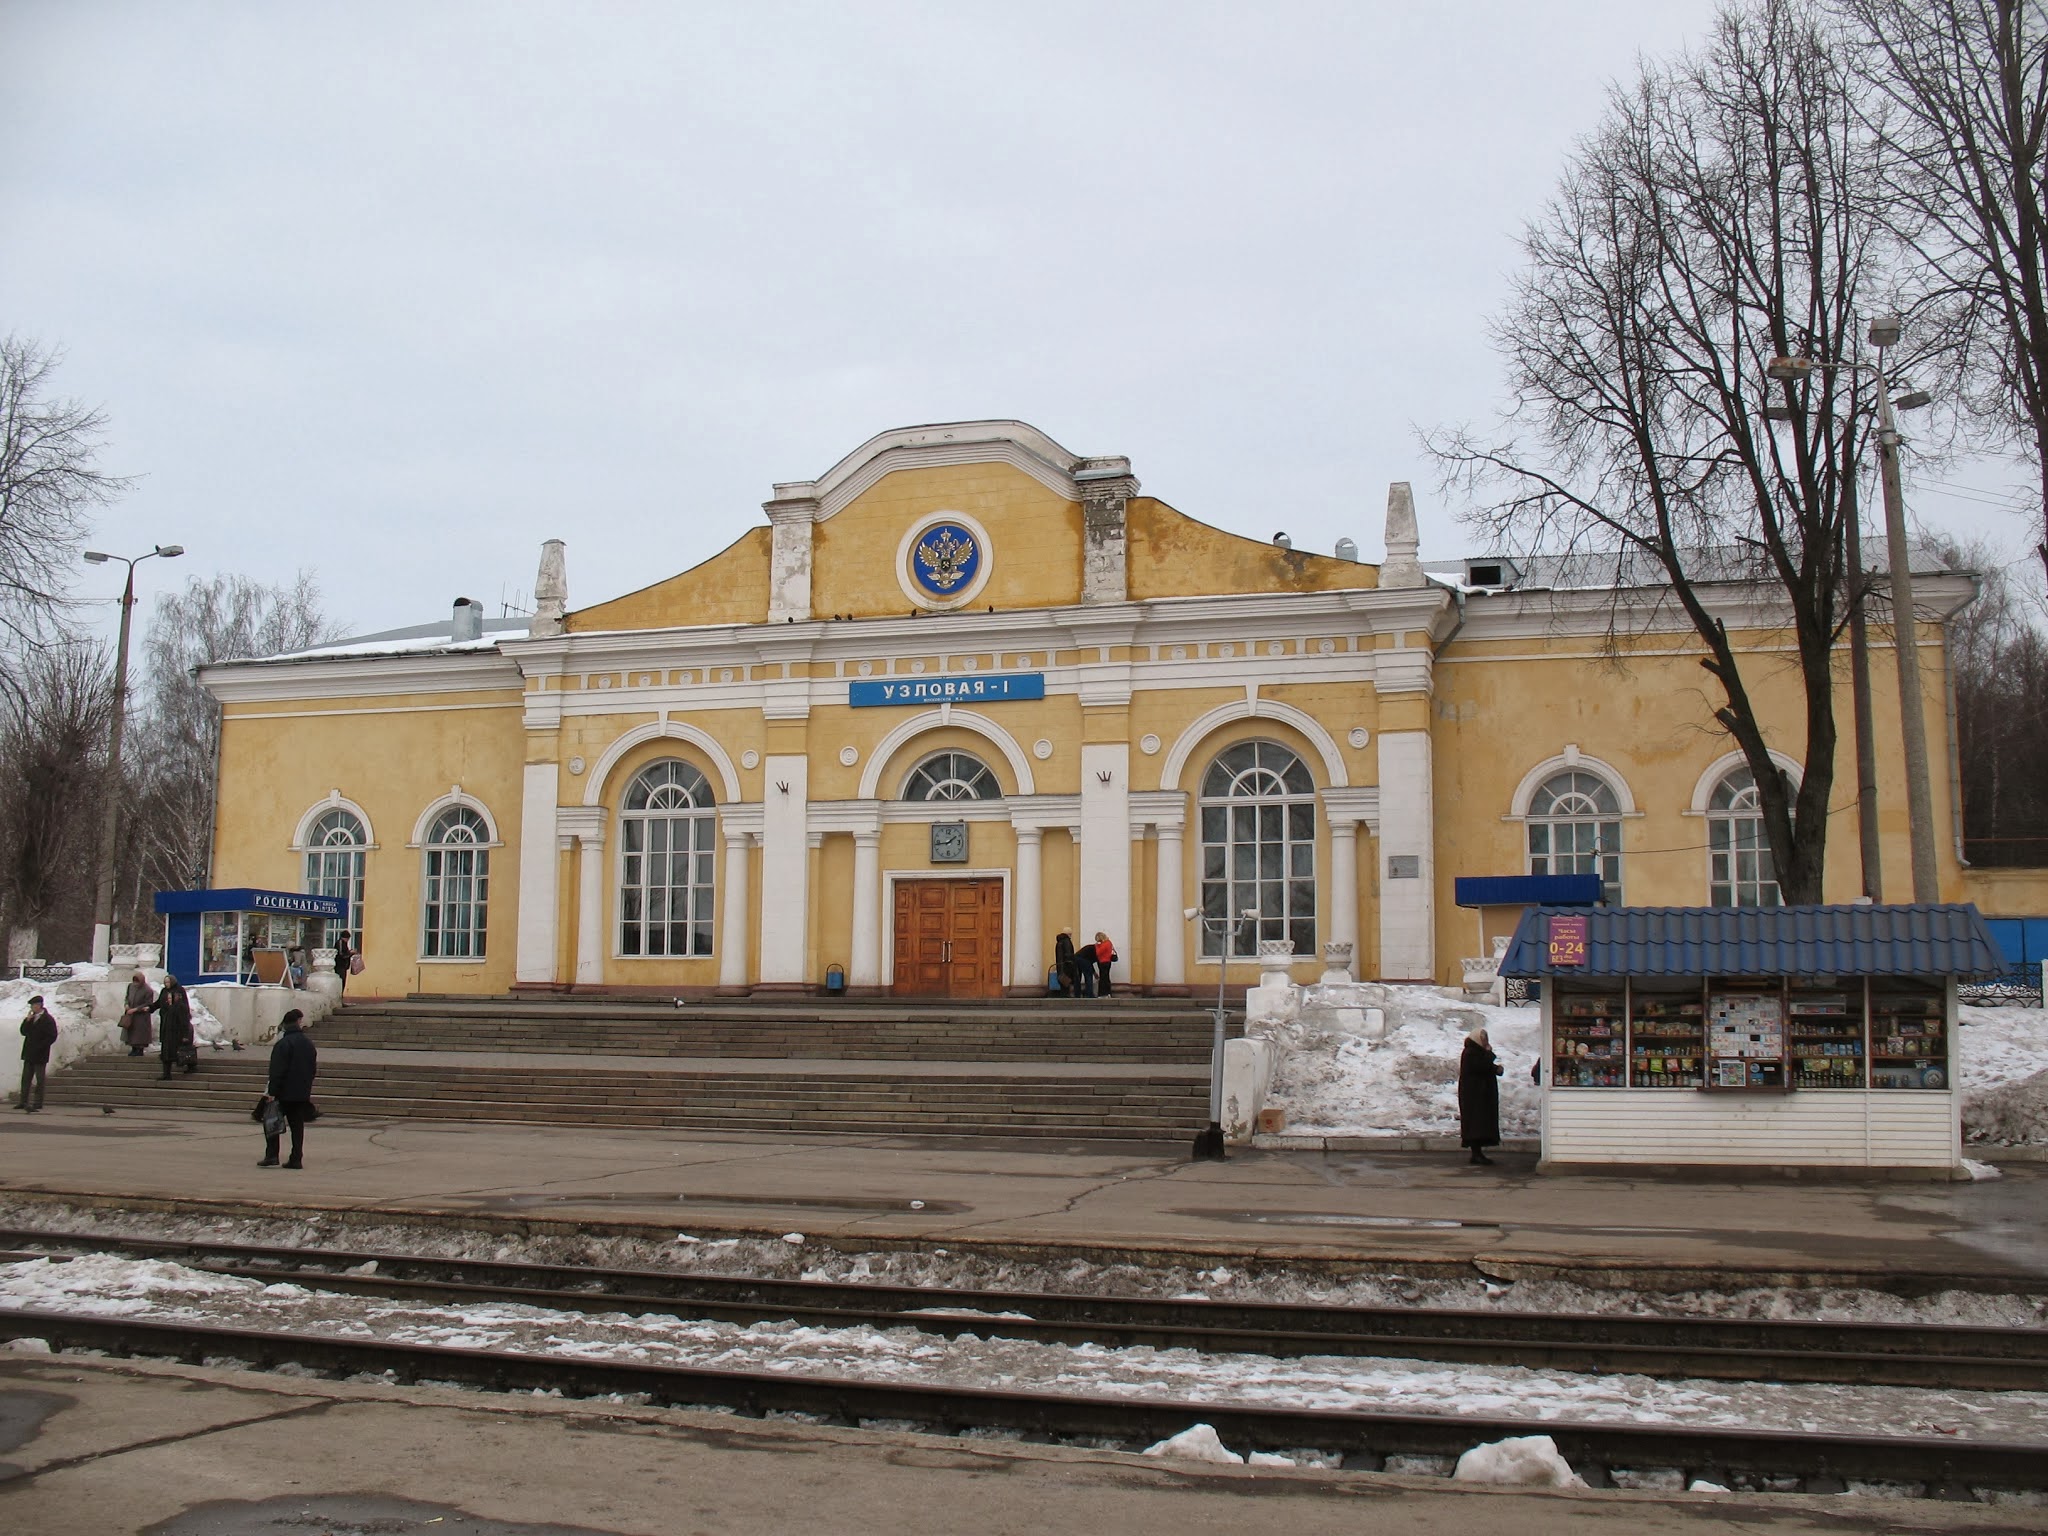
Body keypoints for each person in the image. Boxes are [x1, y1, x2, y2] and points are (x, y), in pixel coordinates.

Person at [259, 1008, 318, 1170]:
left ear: (285, 1025)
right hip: (301, 1092)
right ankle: (296, 1158)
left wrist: (272, 1092)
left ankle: (272, 1155)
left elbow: (277, 1071)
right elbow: (312, 1069)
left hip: (283, 1092)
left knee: (271, 1122)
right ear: (298, 1023)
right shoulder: (307, 1043)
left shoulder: (283, 1044)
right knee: (297, 1126)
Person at [1458, 1026, 1504, 1166]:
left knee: (1479, 1124)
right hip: (1474, 1097)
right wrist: (1489, 1054)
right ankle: (1476, 1154)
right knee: (1476, 1125)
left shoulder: (1475, 1051)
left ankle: (1477, 1153)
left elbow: (1484, 1067)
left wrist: (1496, 1069)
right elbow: (1481, 1066)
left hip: (1479, 1096)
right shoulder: (1471, 1052)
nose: (1485, 1042)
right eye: (1483, 1039)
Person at [17, 995, 57, 1112]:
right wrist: (27, 1020)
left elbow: (52, 1036)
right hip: (29, 1053)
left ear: (39, 1005)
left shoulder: (48, 1019)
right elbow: (23, 1032)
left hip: (40, 1054)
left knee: (39, 1080)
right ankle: (23, 1101)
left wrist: (41, 1047)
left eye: (33, 1005)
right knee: (26, 1079)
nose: (31, 1008)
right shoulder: (31, 1018)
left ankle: (38, 1102)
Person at [153, 975, 196, 1079]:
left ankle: (191, 1065)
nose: (166, 984)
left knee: (181, 1048)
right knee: (166, 1052)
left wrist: (185, 1032)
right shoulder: (164, 991)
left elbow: (184, 1012)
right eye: (165, 982)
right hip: (166, 1026)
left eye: (168, 982)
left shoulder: (179, 992)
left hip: (178, 1027)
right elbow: (159, 1003)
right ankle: (166, 1074)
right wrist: (150, 1007)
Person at [121, 971, 157, 1056]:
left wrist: (136, 1009)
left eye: (137, 982)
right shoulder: (131, 987)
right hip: (131, 1014)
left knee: (140, 1034)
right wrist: (126, 1005)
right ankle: (133, 1048)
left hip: (141, 1016)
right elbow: (127, 997)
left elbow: (148, 1003)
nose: (135, 984)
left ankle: (139, 1049)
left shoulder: (147, 990)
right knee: (131, 1032)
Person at [1089, 932, 1118, 999]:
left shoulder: (1104, 944)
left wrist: (1097, 946)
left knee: (1103, 978)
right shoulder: (1109, 942)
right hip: (1108, 962)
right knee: (1106, 977)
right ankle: (1108, 993)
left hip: (1103, 962)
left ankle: (1103, 994)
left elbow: (1098, 952)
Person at [1053, 931, 1079, 998]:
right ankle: (1067, 994)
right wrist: (1071, 963)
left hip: (1060, 965)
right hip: (1067, 964)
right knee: (1068, 980)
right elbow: (1068, 953)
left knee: (1062, 979)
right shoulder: (1067, 941)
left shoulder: (1059, 942)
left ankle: (1063, 994)